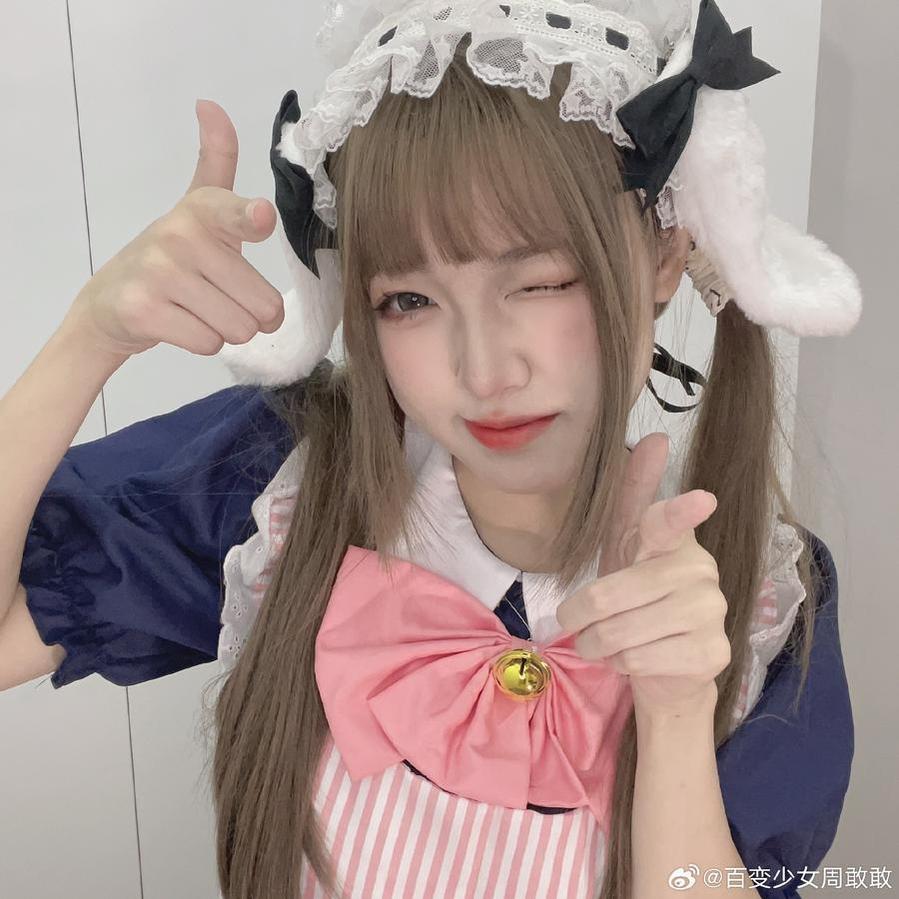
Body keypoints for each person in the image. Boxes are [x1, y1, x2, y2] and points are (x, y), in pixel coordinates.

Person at [0, 1, 857, 897]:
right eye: (407, 300)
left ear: (665, 255)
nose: (483, 372)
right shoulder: (284, 482)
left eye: (541, 281)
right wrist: (90, 337)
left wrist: (677, 714)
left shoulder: (762, 596)